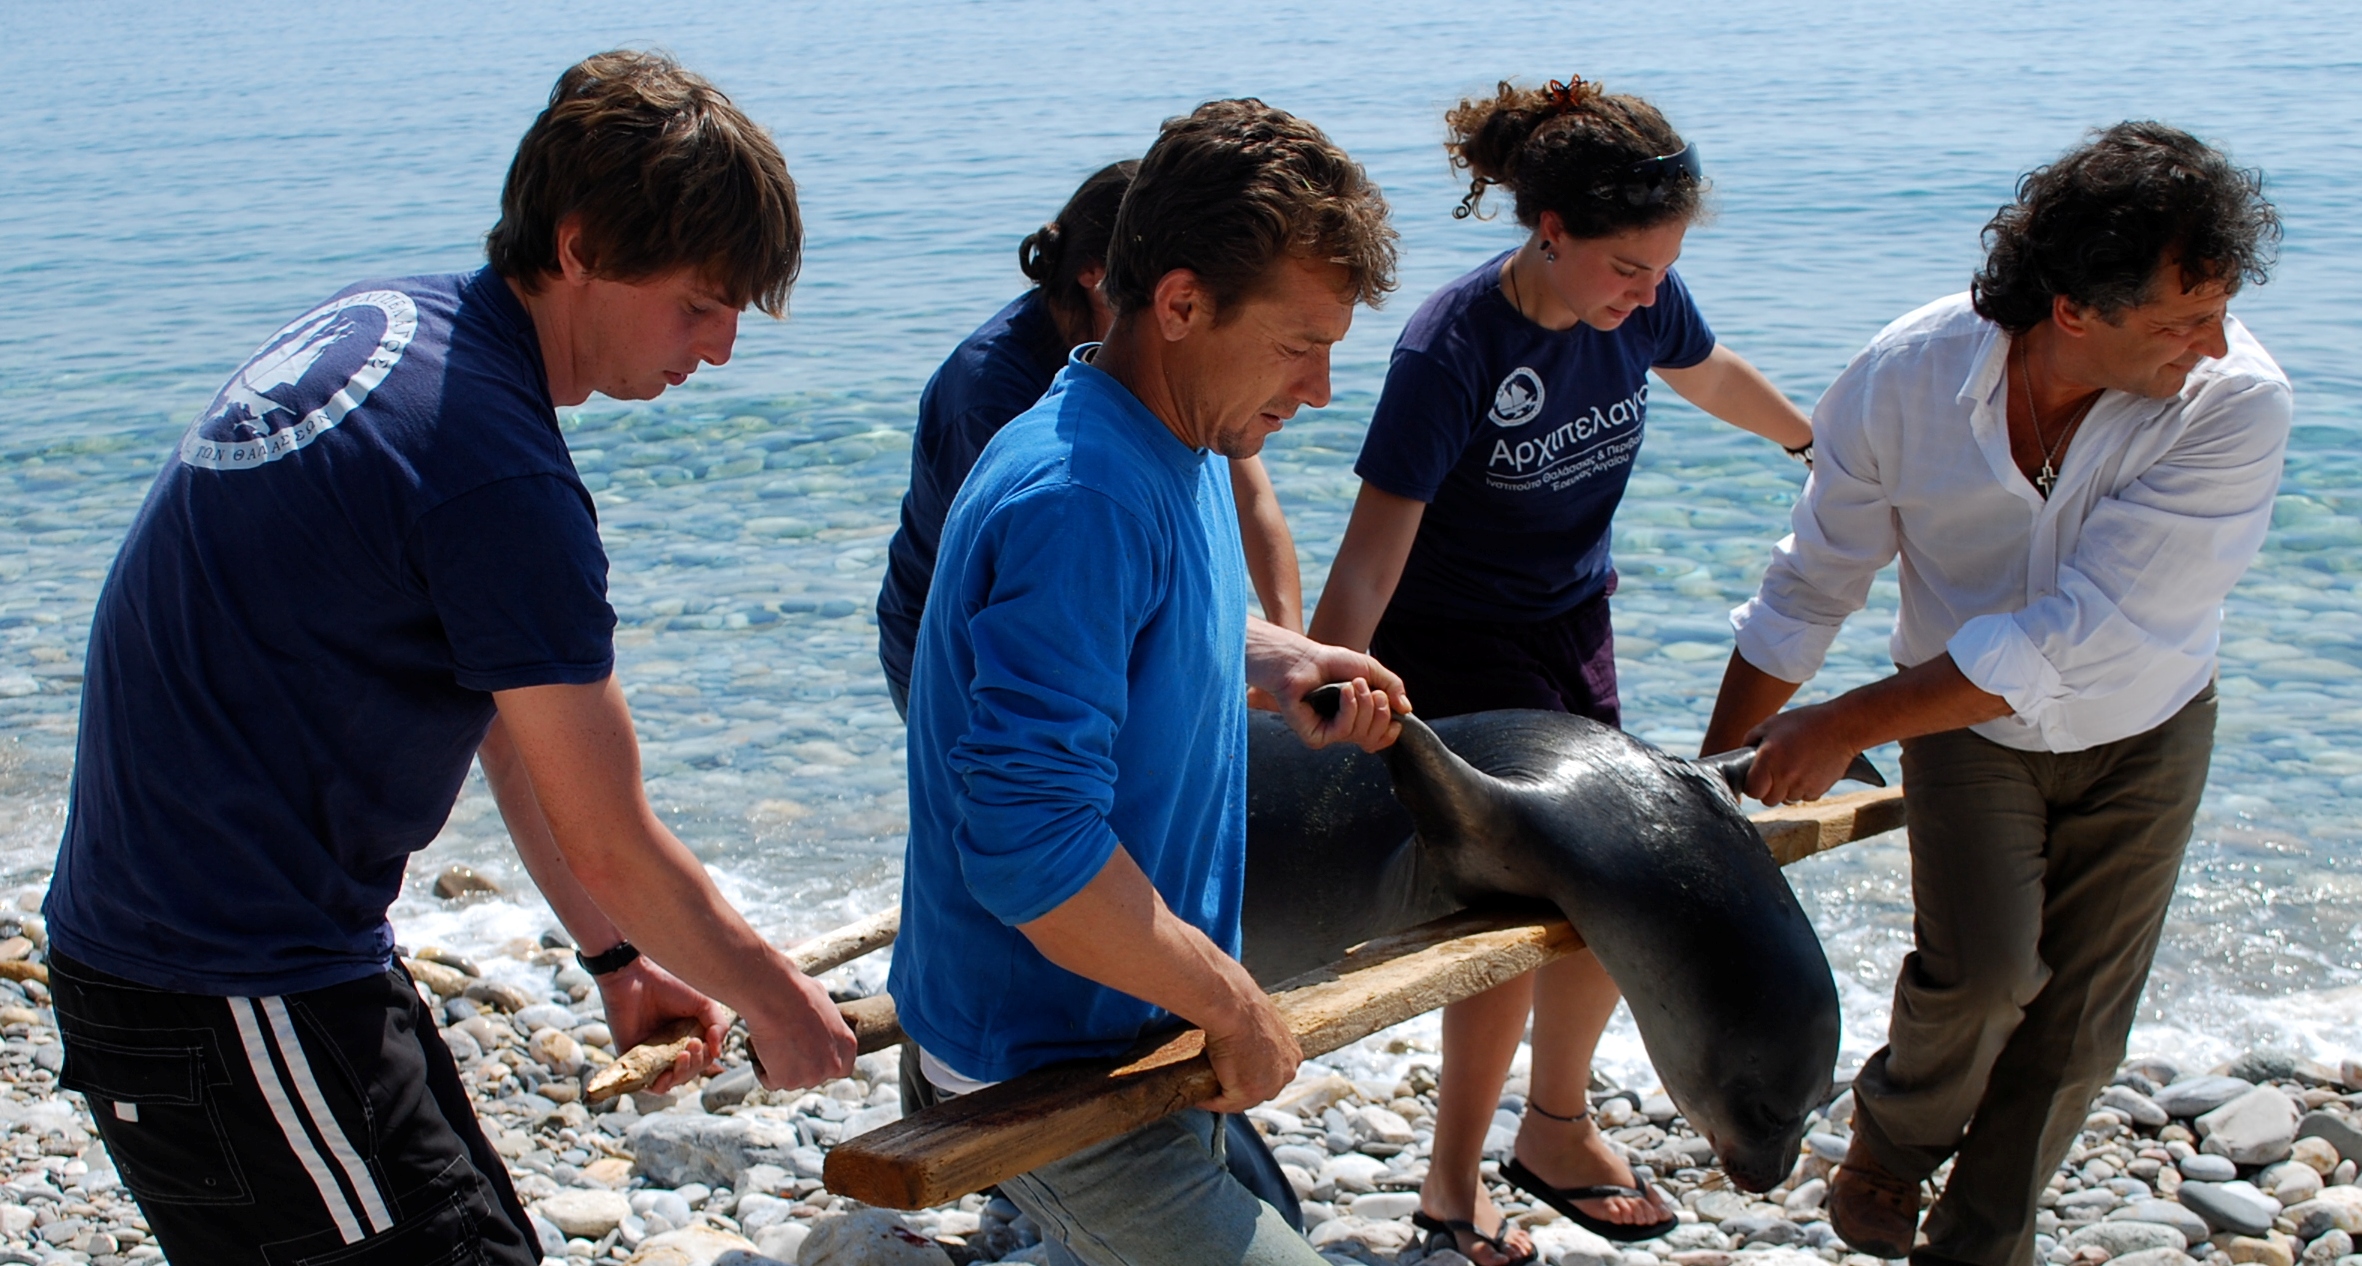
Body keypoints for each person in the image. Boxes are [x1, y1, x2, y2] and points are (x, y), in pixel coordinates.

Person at [42, 52, 856, 1265]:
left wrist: (621, 955)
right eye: (699, 302)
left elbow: (509, 726)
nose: (723, 350)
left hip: (225, 956)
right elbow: (610, 836)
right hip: (220, 981)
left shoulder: (405, 325)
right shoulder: (495, 473)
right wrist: (783, 1008)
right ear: (580, 246)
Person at [1699, 122, 2286, 1266]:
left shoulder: (2234, 402)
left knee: (2074, 1035)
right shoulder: (1903, 376)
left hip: (2146, 720)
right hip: (1962, 723)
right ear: (2073, 310)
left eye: (2218, 309)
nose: (2213, 344)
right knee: (1981, 980)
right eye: (2182, 319)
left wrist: (1845, 722)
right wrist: (1708, 793)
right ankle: (1893, 1141)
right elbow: (1814, 579)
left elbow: (2076, 635)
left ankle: (1977, 1248)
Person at [1303, 76, 1814, 1264]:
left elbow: (1707, 368)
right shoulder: (1452, 347)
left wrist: (1812, 443)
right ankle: (1449, 1183)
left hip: (1571, 623)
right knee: (1517, 910)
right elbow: (1376, 543)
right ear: (1552, 234)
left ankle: (1554, 1128)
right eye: (1629, 268)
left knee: (1614, 885)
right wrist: (1330, 678)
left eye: (1663, 269)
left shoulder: (1638, 303)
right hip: (1459, 655)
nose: (1649, 293)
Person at [889, 98, 1407, 1266]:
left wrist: (1278, 659)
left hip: (1120, 1024)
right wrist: (1233, 1004)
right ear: (1179, 304)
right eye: (1300, 342)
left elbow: (1156, 620)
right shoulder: (1082, 497)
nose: (1321, 388)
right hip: (1042, 1067)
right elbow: (1030, 850)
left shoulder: (1158, 434)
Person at [878, 162, 1305, 716]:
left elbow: (1250, 496)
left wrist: (1291, 640)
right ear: (1095, 274)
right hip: (954, 649)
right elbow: (1045, 589)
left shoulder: (1171, 377)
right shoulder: (990, 396)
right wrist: (1264, 654)